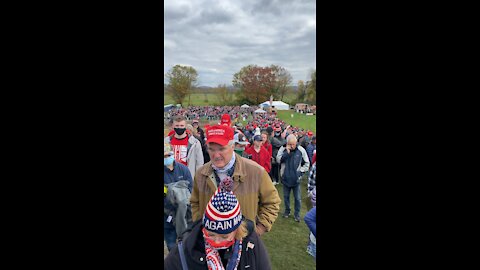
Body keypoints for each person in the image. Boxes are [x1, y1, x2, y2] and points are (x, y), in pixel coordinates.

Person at [190, 124, 281, 237]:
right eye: (211, 149)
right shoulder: (201, 174)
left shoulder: (256, 171)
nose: (216, 155)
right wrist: (201, 225)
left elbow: (272, 202)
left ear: (232, 146)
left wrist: (259, 230)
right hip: (209, 243)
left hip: (243, 242)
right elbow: (195, 202)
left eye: (221, 149)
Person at [165, 181, 272, 269]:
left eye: (224, 236)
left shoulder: (251, 243)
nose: (216, 241)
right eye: (210, 234)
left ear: (238, 230)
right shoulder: (185, 249)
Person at [164, 142, 193, 252]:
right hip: (167, 216)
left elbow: (191, 188)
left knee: (186, 244)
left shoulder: (183, 169)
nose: (167, 158)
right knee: (172, 246)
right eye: (164, 156)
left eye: (168, 155)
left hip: (185, 214)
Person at [276, 134, 310, 222]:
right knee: (286, 197)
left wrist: (300, 172)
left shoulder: (301, 150)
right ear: (287, 143)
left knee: (297, 198)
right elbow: (278, 160)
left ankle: (297, 214)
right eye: (290, 144)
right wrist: (286, 153)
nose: (291, 146)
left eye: (293, 144)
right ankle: (287, 211)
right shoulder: (283, 149)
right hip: (285, 178)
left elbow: (307, 163)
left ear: (296, 143)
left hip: (296, 179)